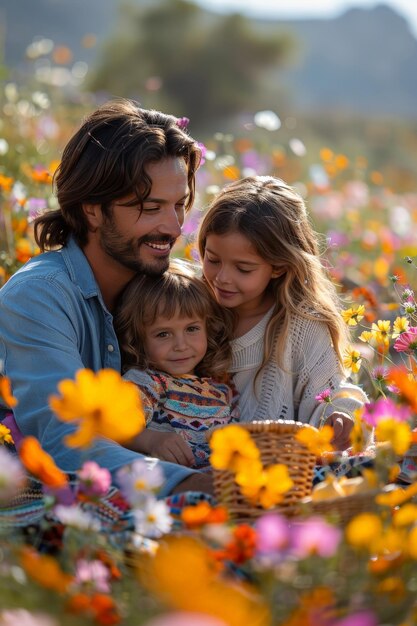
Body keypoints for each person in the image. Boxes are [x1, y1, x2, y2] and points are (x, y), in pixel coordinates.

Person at [0, 98, 212, 497]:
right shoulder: (37, 297)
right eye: (151, 208)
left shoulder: (164, 286)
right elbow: (65, 437)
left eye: (179, 205)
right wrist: (187, 483)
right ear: (93, 211)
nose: (172, 227)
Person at [198, 175, 369, 451]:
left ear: (278, 266)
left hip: (275, 476)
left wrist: (341, 416)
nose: (222, 278)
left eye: (243, 268)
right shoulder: (188, 305)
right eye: (212, 259)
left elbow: (330, 393)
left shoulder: (302, 326)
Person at [114, 259, 239, 469]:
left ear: (207, 328)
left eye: (192, 329)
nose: (181, 345)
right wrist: (151, 440)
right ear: (138, 339)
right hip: (167, 484)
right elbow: (114, 427)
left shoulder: (220, 390)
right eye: (163, 334)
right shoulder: (147, 382)